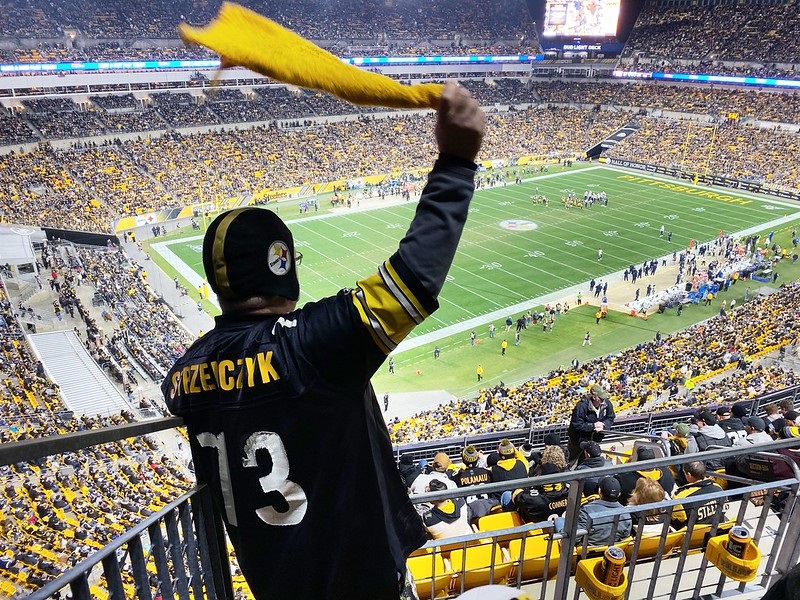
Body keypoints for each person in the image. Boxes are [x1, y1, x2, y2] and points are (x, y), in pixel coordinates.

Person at [162, 82, 485, 600]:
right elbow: (413, 280)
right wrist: (456, 161)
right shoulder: (307, 347)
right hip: (358, 580)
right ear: (281, 266)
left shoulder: (182, 375)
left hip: (274, 583)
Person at [576, 477, 631, 547]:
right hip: (613, 553)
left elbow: (575, 539)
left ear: (599, 492)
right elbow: (625, 539)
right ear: (619, 494)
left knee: (560, 521)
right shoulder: (626, 514)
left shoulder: (587, 510)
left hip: (587, 554)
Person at [670, 461, 726, 530]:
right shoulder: (719, 489)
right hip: (717, 533)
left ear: (689, 475)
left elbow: (674, 522)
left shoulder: (681, 499)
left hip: (691, 538)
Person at [568, 384, 616, 463]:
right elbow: (577, 424)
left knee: (590, 461)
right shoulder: (582, 406)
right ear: (594, 397)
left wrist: (603, 425)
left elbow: (610, 417)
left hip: (595, 440)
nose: (603, 400)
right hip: (578, 440)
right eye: (601, 398)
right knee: (573, 462)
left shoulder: (606, 403)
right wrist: (593, 426)